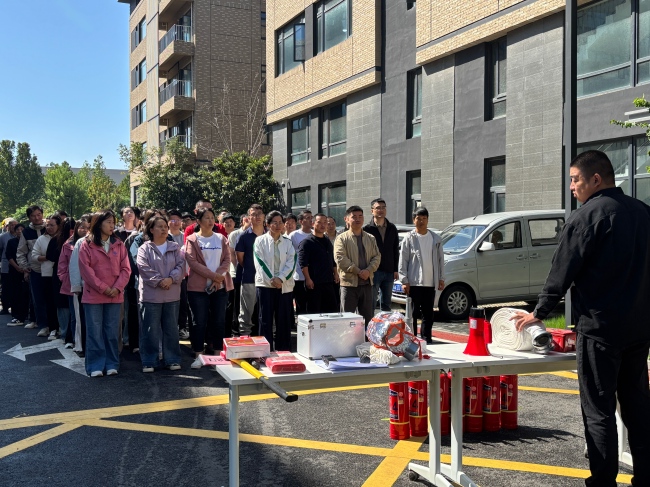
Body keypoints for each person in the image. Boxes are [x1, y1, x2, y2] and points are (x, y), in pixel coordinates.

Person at [511, 150, 650, 487]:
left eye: (575, 179)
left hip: (600, 330)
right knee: (638, 407)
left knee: (599, 410)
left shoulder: (586, 217)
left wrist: (538, 313)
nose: (572, 186)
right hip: (639, 328)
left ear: (595, 180)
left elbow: (562, 271)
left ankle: (603, 482)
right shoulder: (644, 213)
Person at [78, 210, 131, 377]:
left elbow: (126, 269)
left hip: (115, 295)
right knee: (94, 332)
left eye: (113, 222)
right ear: (98, 223)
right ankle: (95, 365)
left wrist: (117, 287)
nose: (112, 225)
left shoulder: (119, 244)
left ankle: (112, 364)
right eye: (108, 222)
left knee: (112, 332)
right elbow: (86, 271)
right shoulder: (86, 244)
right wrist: (104, 288)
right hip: (93, 295)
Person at [185, 207, 233, 369]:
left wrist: (219, 277)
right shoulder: (192, 239)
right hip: (198, 289)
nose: (211, 220)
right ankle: (198, 354)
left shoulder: (220, 238)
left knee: (219, 321)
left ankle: (218, 355)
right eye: (206, 218)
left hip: (220, 287)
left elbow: (227, 259)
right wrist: (214, 277)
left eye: (212, 217)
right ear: (198, 221)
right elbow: (192, 263)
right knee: (199, 322)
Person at [137, 215, 184, 372]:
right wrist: (160, 281)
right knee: (150, 330)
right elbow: (143, 267)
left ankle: (172, 359)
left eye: (165, 226)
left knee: (171, 329)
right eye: (160, 226)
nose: (164, 229)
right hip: (151, 296)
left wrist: (171, 279)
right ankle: (149, 360)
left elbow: (181, 265)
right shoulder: (144, 248)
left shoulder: (175, 247)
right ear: (151, 229)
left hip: (172, 294)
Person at [398, 207, 445, 344]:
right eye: (418, 218)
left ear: (428, 220)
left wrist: (441, 278)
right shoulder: (409, 238)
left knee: (428, 313)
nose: (421, 221)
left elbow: (441, 260)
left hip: (430, 282)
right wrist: (404, 280)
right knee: (413, 313)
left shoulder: (435, 239)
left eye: (424, 218)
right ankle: (412, 338)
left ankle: (426, 338)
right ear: (414, 220)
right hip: (414, 282)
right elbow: (403, 260)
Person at [253, 211, 296, 351]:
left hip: (284, 286)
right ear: (267, 224)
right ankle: (264, 351)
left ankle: (284, 351)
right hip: (265, 285)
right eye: (274, 223)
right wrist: (272, 279)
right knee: (265, 320)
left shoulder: (288, 242)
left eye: (280, 222)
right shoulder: (260, 241)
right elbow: (260, 263)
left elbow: (292, 263)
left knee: (283, 320)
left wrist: (281, 279)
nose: (278, 225)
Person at [334, 206, 381, 326]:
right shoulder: (341, 238)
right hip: (349, 285)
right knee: (347, 320)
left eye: (360, 216)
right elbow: (340, 259)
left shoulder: (370, 238)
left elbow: (377, 257)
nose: (357, 219)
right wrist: (358, 271)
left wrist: (368, 270)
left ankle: (366, 338)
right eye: (354, 217)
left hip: (367, 284)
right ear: (346, 219)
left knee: (367, 319)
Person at [298, 213, 339, 313]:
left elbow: (332, 259)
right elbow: (303, 263)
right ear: (313, 224)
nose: (322, 225)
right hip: (314, 283)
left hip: (329, 282)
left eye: (325, 222)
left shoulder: (327, 241)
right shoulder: (307, 242)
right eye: (319, 222)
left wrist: (335, 273)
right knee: (314, 312)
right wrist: (308, 279)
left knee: (332, 311)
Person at [363, 198, 399, 312]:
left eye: (383, 208)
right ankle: (370, 322)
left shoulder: (392, 228)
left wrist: (395, 269)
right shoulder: (367, 229)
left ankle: (385, 323)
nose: (381, 210)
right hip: (374, 271)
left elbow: (395, 249)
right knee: (371, 302)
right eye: (378, 208)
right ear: (372, 211)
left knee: (387, 304)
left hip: (389, 271)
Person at [31, 214, 62, 340]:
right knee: (49, 302)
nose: (49, 227)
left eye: (52, 225)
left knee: (61, 303)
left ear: (59, 225)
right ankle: (52, 328)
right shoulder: (41, 239)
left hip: (62, 275)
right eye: (47, 225)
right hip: (47, 274)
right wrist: (47, 257)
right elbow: (34, 256)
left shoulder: (63, 238)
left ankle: (62, 327)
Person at [236, 204, 265, 336]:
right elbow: (241, 259)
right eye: (253, 214)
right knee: (246, 314)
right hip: (249, 278)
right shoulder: (243, 236)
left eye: (259, 214)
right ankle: (244, 338)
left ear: (264, 216)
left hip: (268, 281)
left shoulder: (270, 235)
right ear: (248, 217)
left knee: (268, 312)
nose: (257, 217)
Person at [47, 217, 76, 345]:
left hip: (62, 275)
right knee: (65, 305)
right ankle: (66, 333)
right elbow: (50, 256)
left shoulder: (57, 239)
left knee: (64, 306)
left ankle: (66, 333)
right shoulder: (59, 240)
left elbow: (50, 256)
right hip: (63, 275)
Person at [16, 205, 45, 330]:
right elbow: (21, 252)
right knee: (36, 297)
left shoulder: (50, 228)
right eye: (33, 216)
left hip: (51, 268)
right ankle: (39, 322)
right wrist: (24, 267)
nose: (37, 218)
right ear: (29, 218)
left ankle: (52, 325)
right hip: (34, 269)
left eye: (39, 214)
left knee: (50, 298)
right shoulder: (26, 232)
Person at [68, 216, 91, 354]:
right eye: (82, 227)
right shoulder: (80, 242)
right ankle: (82, 346)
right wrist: (76, 286)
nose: (86, 230)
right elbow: (74, 266)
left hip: (103, 289)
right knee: (81, 319)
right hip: (83, 288)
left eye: (88, 227)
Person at [167, 209, 190, 341]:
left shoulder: (185, 236)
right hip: (169, 276)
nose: (176, 223)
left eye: (178, 220)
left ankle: (182, 327)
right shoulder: (165, 236)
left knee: (183, 303)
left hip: (184, 275)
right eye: (173, 220)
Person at [56, 218, 79, 348]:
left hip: (89, 286)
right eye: (81, 227)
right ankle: (72, 339)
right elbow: (62, 267)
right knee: (73, 314)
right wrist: (66, 280)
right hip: (71, 286)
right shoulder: (67, 245)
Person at [229, 214, 250, 337]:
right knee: (237, 304)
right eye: (247, 218)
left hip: (253, 275)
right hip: (237, 272)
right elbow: (232, 254)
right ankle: (236, 330)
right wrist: (239, 268)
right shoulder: (235, 234)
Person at [289, 210, 313, 318]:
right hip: (299, 276)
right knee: (301, 305)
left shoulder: (315, 233)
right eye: (307, 218)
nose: (310, 220)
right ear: (301, 221)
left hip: (314, 276)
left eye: (311, 217)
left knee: (312, 305)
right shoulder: (294, 235)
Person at [6, 224, 28, 326]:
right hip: (14, 270)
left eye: (21, 229)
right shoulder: (11, 242)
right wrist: (17, 267)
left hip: (27, 270)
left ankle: (26, 314)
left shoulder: (28, 241)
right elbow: (9, 256)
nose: (19, 231)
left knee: (26, 293)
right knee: (15, 293)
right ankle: (16, 315)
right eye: (17, 229)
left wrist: (25, 268)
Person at [0, 218, 17, 315]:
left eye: (15, 225)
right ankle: (5, 307)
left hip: (18, 265)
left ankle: (16, 306)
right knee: (5, 287)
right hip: (6, 265)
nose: (13, 227)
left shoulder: (21, 235)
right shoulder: (3, 237)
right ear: (8, 227)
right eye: (11, 225)